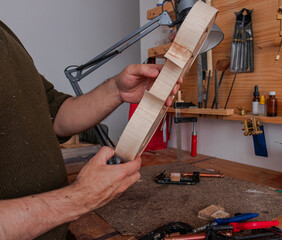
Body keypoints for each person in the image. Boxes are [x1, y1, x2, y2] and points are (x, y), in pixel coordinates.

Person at [0, 19, 181, 240]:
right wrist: (78, 198)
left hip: (57, 230)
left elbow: (54, 113)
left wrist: (117, 90)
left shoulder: (4, 31)